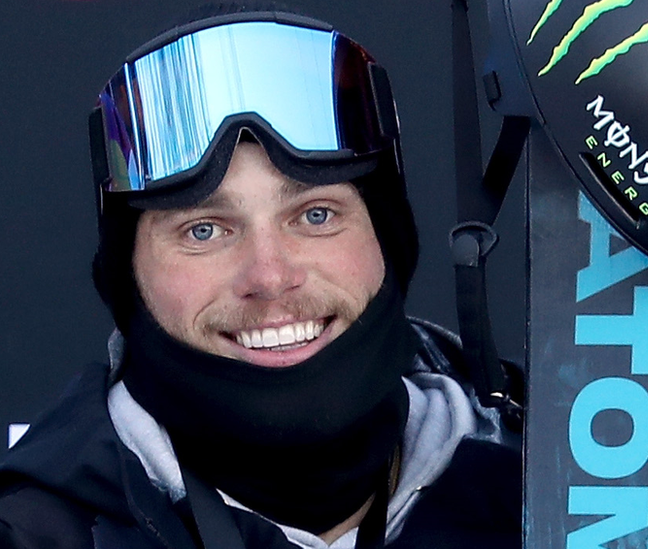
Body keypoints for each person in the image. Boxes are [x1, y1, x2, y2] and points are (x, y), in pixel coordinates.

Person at [0, 4, 521, 548]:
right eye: (204, 230)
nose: (270, 275)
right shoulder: (31, 534)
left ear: (390, 241)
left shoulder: (574, 481)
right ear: (126, 278)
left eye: (316, 215)